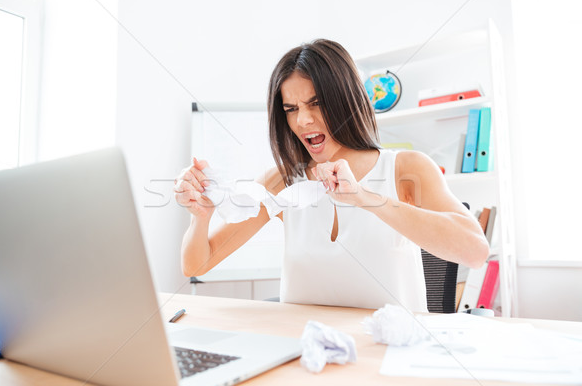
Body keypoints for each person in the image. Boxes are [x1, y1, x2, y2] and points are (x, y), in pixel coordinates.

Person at [174, 39, 489, 311]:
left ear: (345, 101)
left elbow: (475, 251)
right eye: (291, 109)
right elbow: (197, 264)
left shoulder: (406, 169)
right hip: (306, 357)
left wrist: (364, 198)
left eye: (316, 103)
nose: (303, 121)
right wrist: (200, 218)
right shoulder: (282, 182)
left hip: (384, 359)